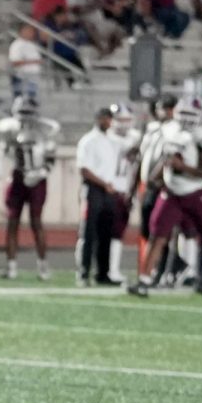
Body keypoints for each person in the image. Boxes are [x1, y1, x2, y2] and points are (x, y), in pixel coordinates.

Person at [129, 99, 202, 296]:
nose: (185, 120)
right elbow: (168, 159)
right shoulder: (170, 132)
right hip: (172, 193)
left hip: (197, 192)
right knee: (157, 235)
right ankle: (144, 279)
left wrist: (183, 167)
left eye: (189, 115)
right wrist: (155, 179)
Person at [0, 95, 59, 281]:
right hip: (18, 177)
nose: (24, 118)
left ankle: (43, 267)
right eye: (21, 113)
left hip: (37, 179)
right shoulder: (10, 132)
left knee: (36, 222)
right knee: (12, 223)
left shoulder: (45, 132)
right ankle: (11, 267)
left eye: (27, 113)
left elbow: (51, 160)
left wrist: (39, 174)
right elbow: (2, 155)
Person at [75, 107, 120, 287]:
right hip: (94, 189)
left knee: (106, 233)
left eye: (110, 119)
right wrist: (104, 184)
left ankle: (103, 272)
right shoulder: (88, 141)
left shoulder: (111, 140)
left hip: (108, 191)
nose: (108, 122)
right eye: (106, 118)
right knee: (89, 232)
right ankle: (83, 272)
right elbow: (84, 169)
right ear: (99, 119)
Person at [137, 94, 177, 277]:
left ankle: (164, 269)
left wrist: (159, 179)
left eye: (161, 108)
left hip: (163, 185)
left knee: (160, 229)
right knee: (148, 228)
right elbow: (143, 156)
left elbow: (170, 157)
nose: (157, 112)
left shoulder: (175, 130)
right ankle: (160, 267)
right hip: (149, 185)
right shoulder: (153, 129)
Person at [106, 103, 141, 284]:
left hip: (125, 189)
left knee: (119, 231)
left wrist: (132, 192)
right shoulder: (107, 137)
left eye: (127, 120)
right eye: (120, 120)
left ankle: (113, 269)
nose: (124, 124)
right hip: (108, 188)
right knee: (98, 230)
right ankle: (94, 268)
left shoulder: (135, 137)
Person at [8, 23, 42, 99]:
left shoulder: (32, 44)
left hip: (33, 78)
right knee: (20, 101)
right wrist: (33, 61)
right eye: (29, 31)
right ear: (21, 31)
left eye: (32, 31)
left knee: (32, 102)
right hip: (22, 77)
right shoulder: (16, 45)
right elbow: (14, 62)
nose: (31, 33)